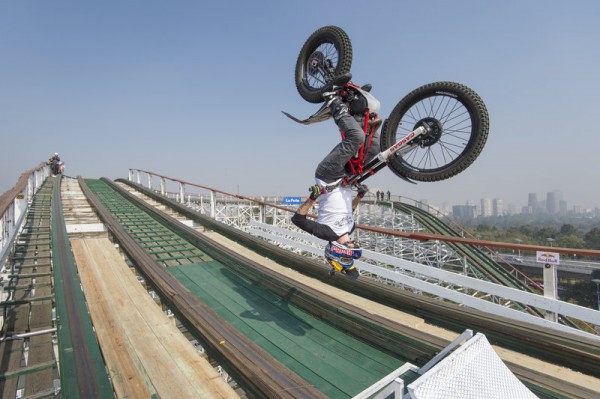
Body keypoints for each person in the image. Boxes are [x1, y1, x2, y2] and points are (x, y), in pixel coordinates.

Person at [291, 89, 381, 276]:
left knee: (355, 138)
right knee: (375, 150)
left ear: (339, 253)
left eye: (348, 258)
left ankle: (332, 100)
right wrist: (360, 196)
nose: (353, 247)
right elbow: (350, 210)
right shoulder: (350, 228)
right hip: (346, 178)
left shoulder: (326, 233)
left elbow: (297, 219)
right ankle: (356, 111)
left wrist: (312, 198)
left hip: (328, 175)